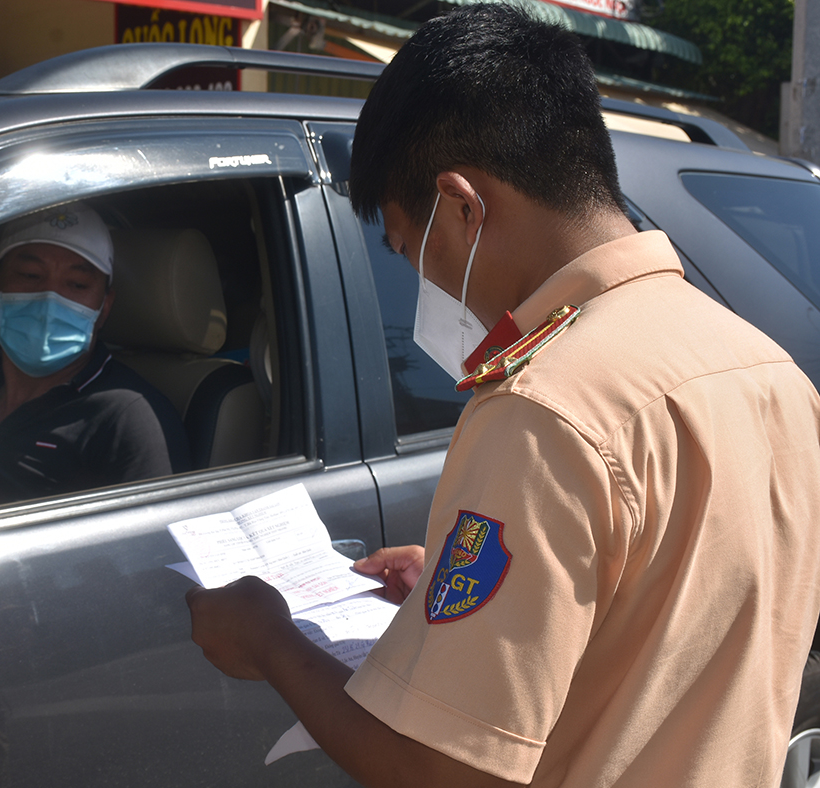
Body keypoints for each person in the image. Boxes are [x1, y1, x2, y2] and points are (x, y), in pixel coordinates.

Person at [185, 5, 820, 786]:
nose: (422, 281)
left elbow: (444, 772)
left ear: (459, 207)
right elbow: (674, 609)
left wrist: (272, 644)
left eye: (404, 249)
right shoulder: (766, 369)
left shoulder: (544, 409)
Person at [0, 203, 190, 509]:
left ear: (104, 307)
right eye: (31, 275)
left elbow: (149, 547)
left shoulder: (126, 416)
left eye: (77, 284)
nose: (50, 299)